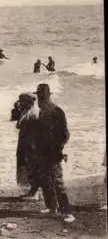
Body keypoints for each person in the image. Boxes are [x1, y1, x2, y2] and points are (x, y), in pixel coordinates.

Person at [34, 84, 75, 223]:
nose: (39, 99)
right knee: (45, 180)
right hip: (42, 152)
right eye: (39, 96)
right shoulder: (42, 111)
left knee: (57, 183)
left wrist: (59, 149)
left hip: (53, 152)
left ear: (47, 96)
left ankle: (68, 212)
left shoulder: (56, 111)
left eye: (41, 96)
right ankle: (52, 207)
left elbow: (65, 134)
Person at [14, 93, 41, 201]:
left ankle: (34, 193)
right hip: (26, 143)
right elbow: (18, 125)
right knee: (28, 168)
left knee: (32, 168)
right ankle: (32, 192)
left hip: (30, 144)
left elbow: (35, 131)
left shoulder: (34, 112)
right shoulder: (28, 111)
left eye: (22, 101)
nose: (20, 103)